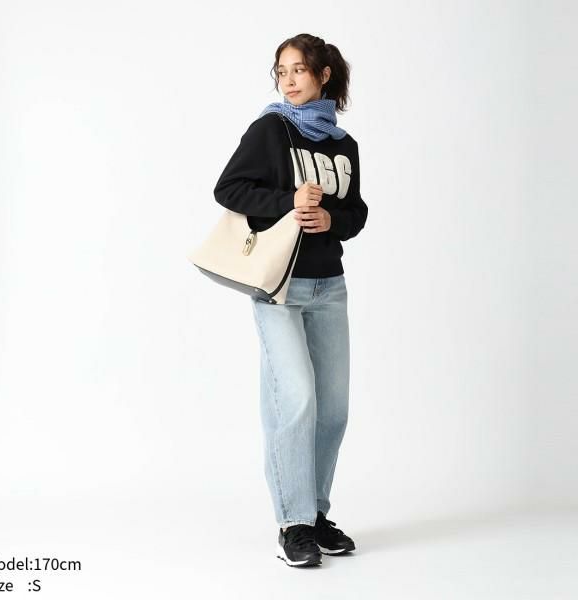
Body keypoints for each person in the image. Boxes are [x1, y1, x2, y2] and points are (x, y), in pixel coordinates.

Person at [213, 33, 368, 568]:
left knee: (333, 409)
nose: (289, 80)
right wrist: (288, 201)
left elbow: (356, 212)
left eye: (299, 70)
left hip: (330, 287)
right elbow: (229, 189)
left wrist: (330, 219)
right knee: (297, 398)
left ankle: (317, 514)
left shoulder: (343, 144)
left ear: (324, 75)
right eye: (282, 71)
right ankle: (293, 523)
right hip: (279, 287)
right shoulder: (271, 129)